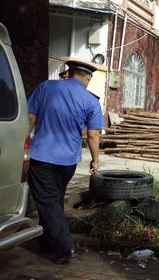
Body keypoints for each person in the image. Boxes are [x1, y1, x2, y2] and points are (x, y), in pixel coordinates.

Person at [27, 60, 104, 264]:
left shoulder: (46, 87)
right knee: (54, 200)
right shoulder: (91, 100)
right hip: (68, 161)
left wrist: (20, 143)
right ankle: (48, 242)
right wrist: (96, 160)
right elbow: (94, 135)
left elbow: (30, 118)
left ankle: (66, 247)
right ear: (88, 78)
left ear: (69, 73)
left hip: (42, 155)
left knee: (48, 201)